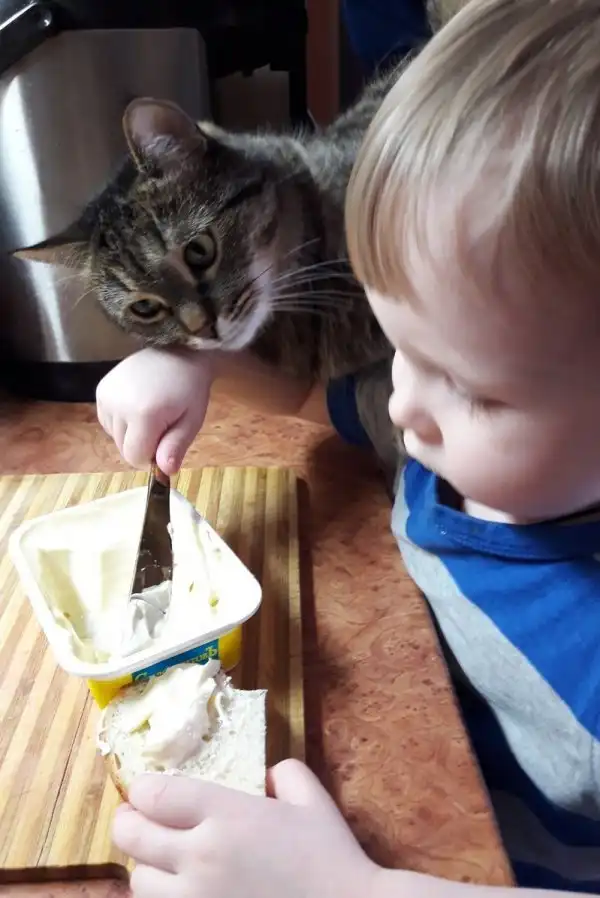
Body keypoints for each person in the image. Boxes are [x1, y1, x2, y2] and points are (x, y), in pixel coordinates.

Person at [99, 0, 600, 894]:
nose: (402, 398)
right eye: (400, 344)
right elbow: (320, 396)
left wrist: (348, 889)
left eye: (469, 385)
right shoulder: (463, 440)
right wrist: (190, 364)